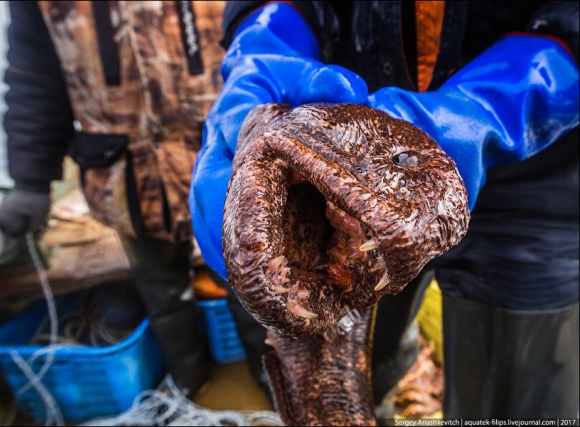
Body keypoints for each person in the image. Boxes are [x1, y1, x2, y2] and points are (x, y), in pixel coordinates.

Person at [189, 0, 579, 419]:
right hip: (346, 147)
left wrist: (499, 101)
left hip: (539, 179)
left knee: (516, 396)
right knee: (348, 360)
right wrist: (267, 36)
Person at [0, 0, 272, 399]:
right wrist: (31, 182)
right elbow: (34, 81)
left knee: (248, 283)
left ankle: (270, 381)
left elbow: (271, 45)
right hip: (127, 180)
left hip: (226, 166)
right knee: (163, 294)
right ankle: (189, 386)